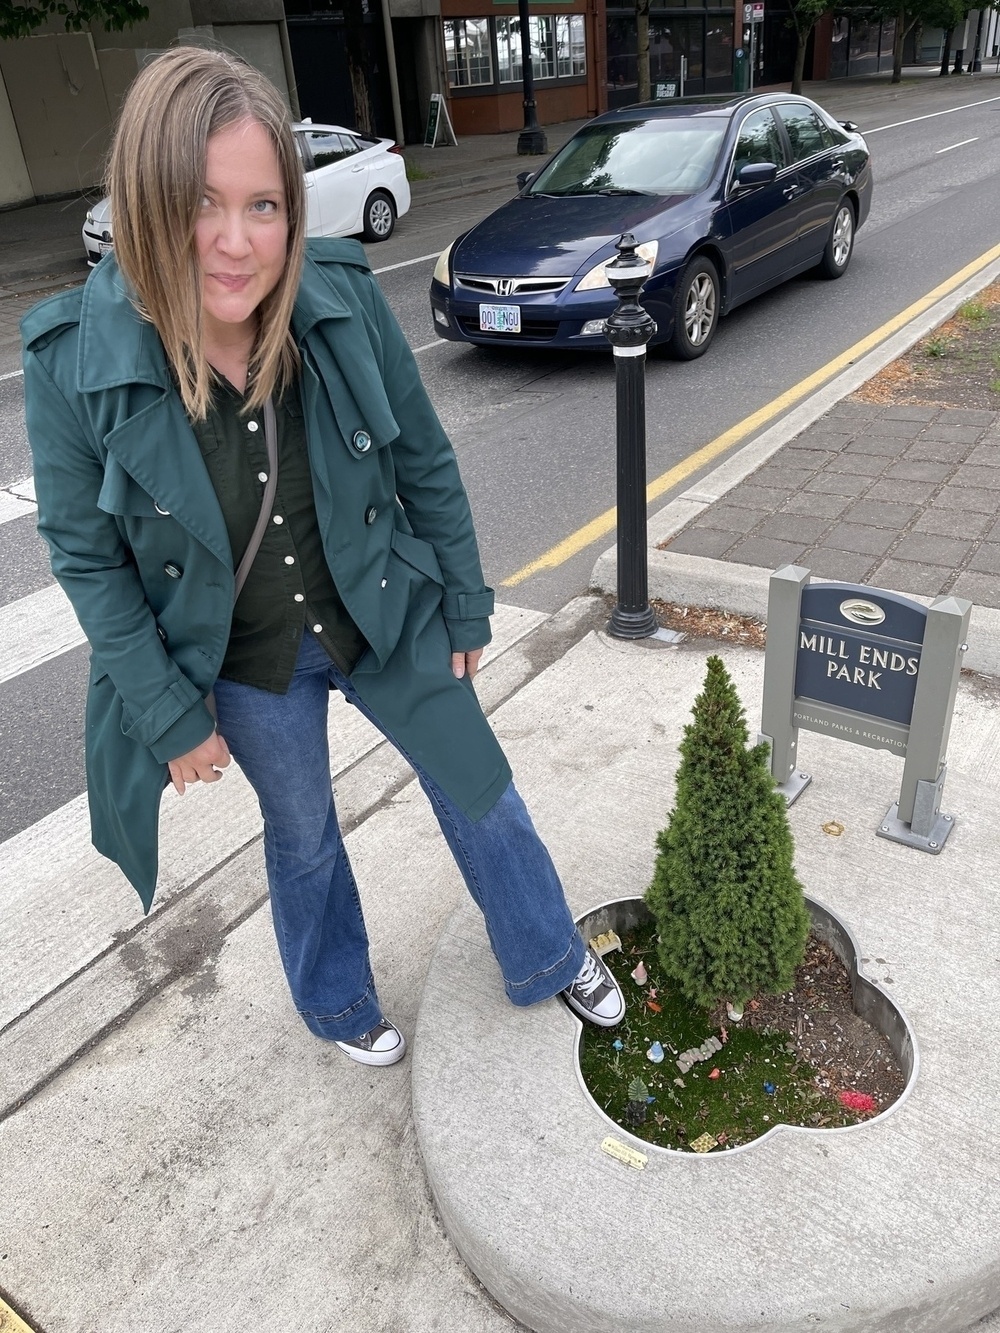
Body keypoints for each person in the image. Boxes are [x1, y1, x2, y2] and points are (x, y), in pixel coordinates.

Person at [23, 47, 624, 1067]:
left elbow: (423, 457)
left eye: (264, 206)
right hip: (248, 661)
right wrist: (170, 712)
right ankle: (340, 1002)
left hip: (384, 609)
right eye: (201, 202)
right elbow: (87, 560)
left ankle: (546, 949)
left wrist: (467, 603)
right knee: (302, 838)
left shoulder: (335, 298)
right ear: (143, 199)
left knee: (478, 781)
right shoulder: (73, 361)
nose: (235, 241)